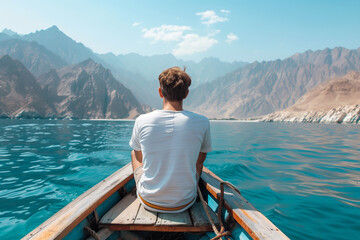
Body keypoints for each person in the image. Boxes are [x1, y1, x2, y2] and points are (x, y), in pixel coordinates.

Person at [129, 67, 212, 213]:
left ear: (160, 92)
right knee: (197, 162)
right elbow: (199, 162)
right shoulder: (203, 122)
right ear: (186, 94)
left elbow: (140, 158)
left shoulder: (141, 121)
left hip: (149, 201)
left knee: (133, 152)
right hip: (185, 201)